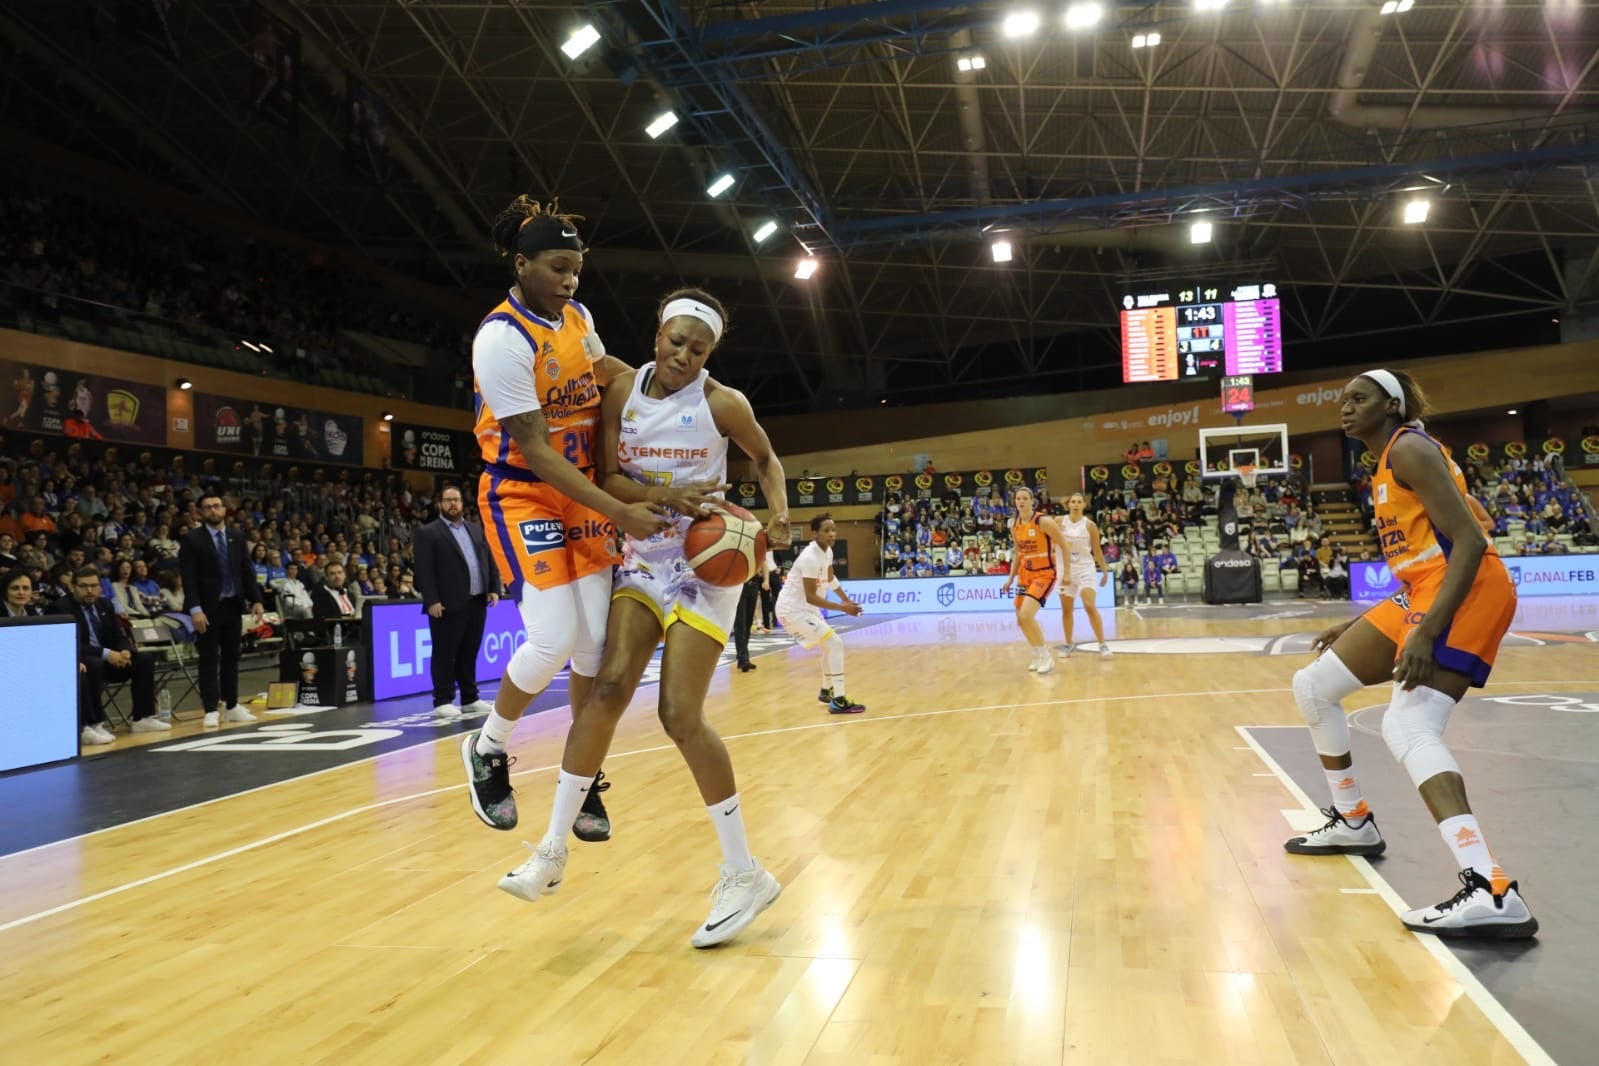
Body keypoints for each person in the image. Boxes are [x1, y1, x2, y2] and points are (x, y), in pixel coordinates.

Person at [497, 288, 791, 947]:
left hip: (704, 572)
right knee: (605, 688)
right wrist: (664, 494)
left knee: (679, 715)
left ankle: (743, 872)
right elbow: (608, 478)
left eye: (699, 348)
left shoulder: (722, 403)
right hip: (641, 560)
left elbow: (765, 458)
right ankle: (549, 852)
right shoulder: (621, 391)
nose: (685, 355)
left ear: (712, 353)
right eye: (676, 341)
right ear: (657, 333)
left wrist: (779, 511)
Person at [1281, 368, 1536, 938]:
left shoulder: (1411, 449)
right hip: (1425, 589)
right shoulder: (1392, 458)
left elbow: (1471, 540)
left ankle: (1489, 889)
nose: (1345, 408)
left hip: (1467, 590)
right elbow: (1467, 527)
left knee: (1410, 725)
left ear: (1391, 407)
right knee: (1314, 685)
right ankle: (1353, 821)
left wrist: (1423, 631)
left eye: (1359, 398)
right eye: (1343, 399)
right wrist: (1367, 621)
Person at [460, 196, 669, 839]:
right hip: (526, 491)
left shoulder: (577, 315)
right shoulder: (501, 338)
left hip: (578, 490)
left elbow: (603, 370)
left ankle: (579, 781)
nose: (569, 280)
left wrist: (661, 389)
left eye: (576, 269)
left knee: (595, 644)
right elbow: (538, 451)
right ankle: (488, 747)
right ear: (522, 265)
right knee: (552, 638)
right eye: (557, 267)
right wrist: (619, 509)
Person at [414, 484, 501, 717]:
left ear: (462, 504)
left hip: (476, 601)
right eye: (448, 500)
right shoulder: (428, 532)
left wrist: (494, 587)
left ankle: (470, 698)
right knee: (444, 652)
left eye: (457, 500)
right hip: (446, 604)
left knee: (469, 651)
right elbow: (423, 570)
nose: (453, 504)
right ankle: (442, 699)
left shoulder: (475, 529)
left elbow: (488, 559)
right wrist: (431, 600)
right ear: (439, 504)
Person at [179, 493, 265, 728]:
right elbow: (189, 578)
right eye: (207, 508)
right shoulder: (192, 539)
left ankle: (231, 705)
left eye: (216, 506)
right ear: (200, 513)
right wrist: (195, 609)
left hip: (232, 604)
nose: (213, 511)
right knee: (208, 658)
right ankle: (210, 709)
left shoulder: (237, 536)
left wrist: (256, 599)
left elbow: (246, 571)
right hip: (206, 608)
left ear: (224, 510)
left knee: (231, 657)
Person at [61, 565, 168, 739]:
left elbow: (118, 634)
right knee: (93, 664)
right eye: (83, 586)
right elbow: (70, 643)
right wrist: (106, 654)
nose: (89, 590)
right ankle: (94, 723)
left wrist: (125, 650)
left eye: (94, 586)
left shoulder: (104, 603)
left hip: (112, 660)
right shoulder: (62, 607)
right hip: (82, 661)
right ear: (73, 587)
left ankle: (142, 718)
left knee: (144, 659)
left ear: (100, 587)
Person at [777, 514, 865, 713]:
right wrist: (843, 609)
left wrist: (844, 599)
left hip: (805, 609)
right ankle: (839, 700)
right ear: (814, 533)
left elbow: (830, 577)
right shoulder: (809, 557)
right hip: (793, 610)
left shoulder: (828, 552)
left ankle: (827, 691)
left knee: (828, 646)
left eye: (833, 530)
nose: (831, 534)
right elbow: (811, 597)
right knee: (835, 643)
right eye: (826, 530)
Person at [1000, 486, 1069, 674]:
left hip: (1044, 574)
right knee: (1020, 620)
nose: (1021, 501)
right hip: (1024, 574)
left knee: (1026, 615)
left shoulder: (1043, 521)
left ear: (1032, 501)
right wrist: (1010, 578)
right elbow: (1017, 552)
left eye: (1024, 498)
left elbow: (1063, 544)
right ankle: (1038, 654)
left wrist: (1067, 572)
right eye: (1018, 499)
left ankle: (1046, 656)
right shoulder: (1013, 524)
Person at [1053, 492, 1111, 658]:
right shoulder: (1058, 522)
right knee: (1066, 610)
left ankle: (1103, 644)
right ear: (1068, 504)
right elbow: (1048, 538)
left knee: (1089, 605)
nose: (1076, 504)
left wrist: (1105, 571)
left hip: (1085, 568)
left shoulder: (1090, 525)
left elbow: (1097, 549)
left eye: (1079, 502)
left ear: (1084, 505)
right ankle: (1069, 644)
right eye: (1073, 502)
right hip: (1065, 571)